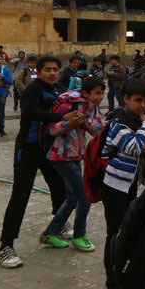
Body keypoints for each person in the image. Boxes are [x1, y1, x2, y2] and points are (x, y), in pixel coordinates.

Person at [0, 56, 78, 269]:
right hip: (29, 148)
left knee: (59, 187)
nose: (52, 73)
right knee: (21, 193)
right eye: (47, 69)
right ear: (39, 72)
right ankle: (6, 246)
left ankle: (58, 225)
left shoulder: (58, 88)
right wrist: (62, 119)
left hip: (48, 148)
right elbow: (31, 112)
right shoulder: (33, 90)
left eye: (55, 69)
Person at [101, 79, 145, 289]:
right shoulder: (118, 122)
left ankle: (123, 274)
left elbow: (144, 148)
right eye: (138, 100)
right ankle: (112, 283)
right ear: (126, 99)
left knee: (128, 230)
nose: (143, 105)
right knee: (114, 233)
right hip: (114, 185)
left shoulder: (134, 120)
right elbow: (134, 147)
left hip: (129, 182)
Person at [39, 77, 104, 251]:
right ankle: (79, 235)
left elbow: (98, 130)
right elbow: (51, 128)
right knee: (85, 197)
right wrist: (69, 123)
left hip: (76, 156)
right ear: (85, 93)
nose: (100, 97)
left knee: (73, 198)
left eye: (102, 93)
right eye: (97, 93)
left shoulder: (93, 106)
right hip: (61, 155)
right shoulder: (68, 104)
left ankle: (49, 233)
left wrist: (85, 121)